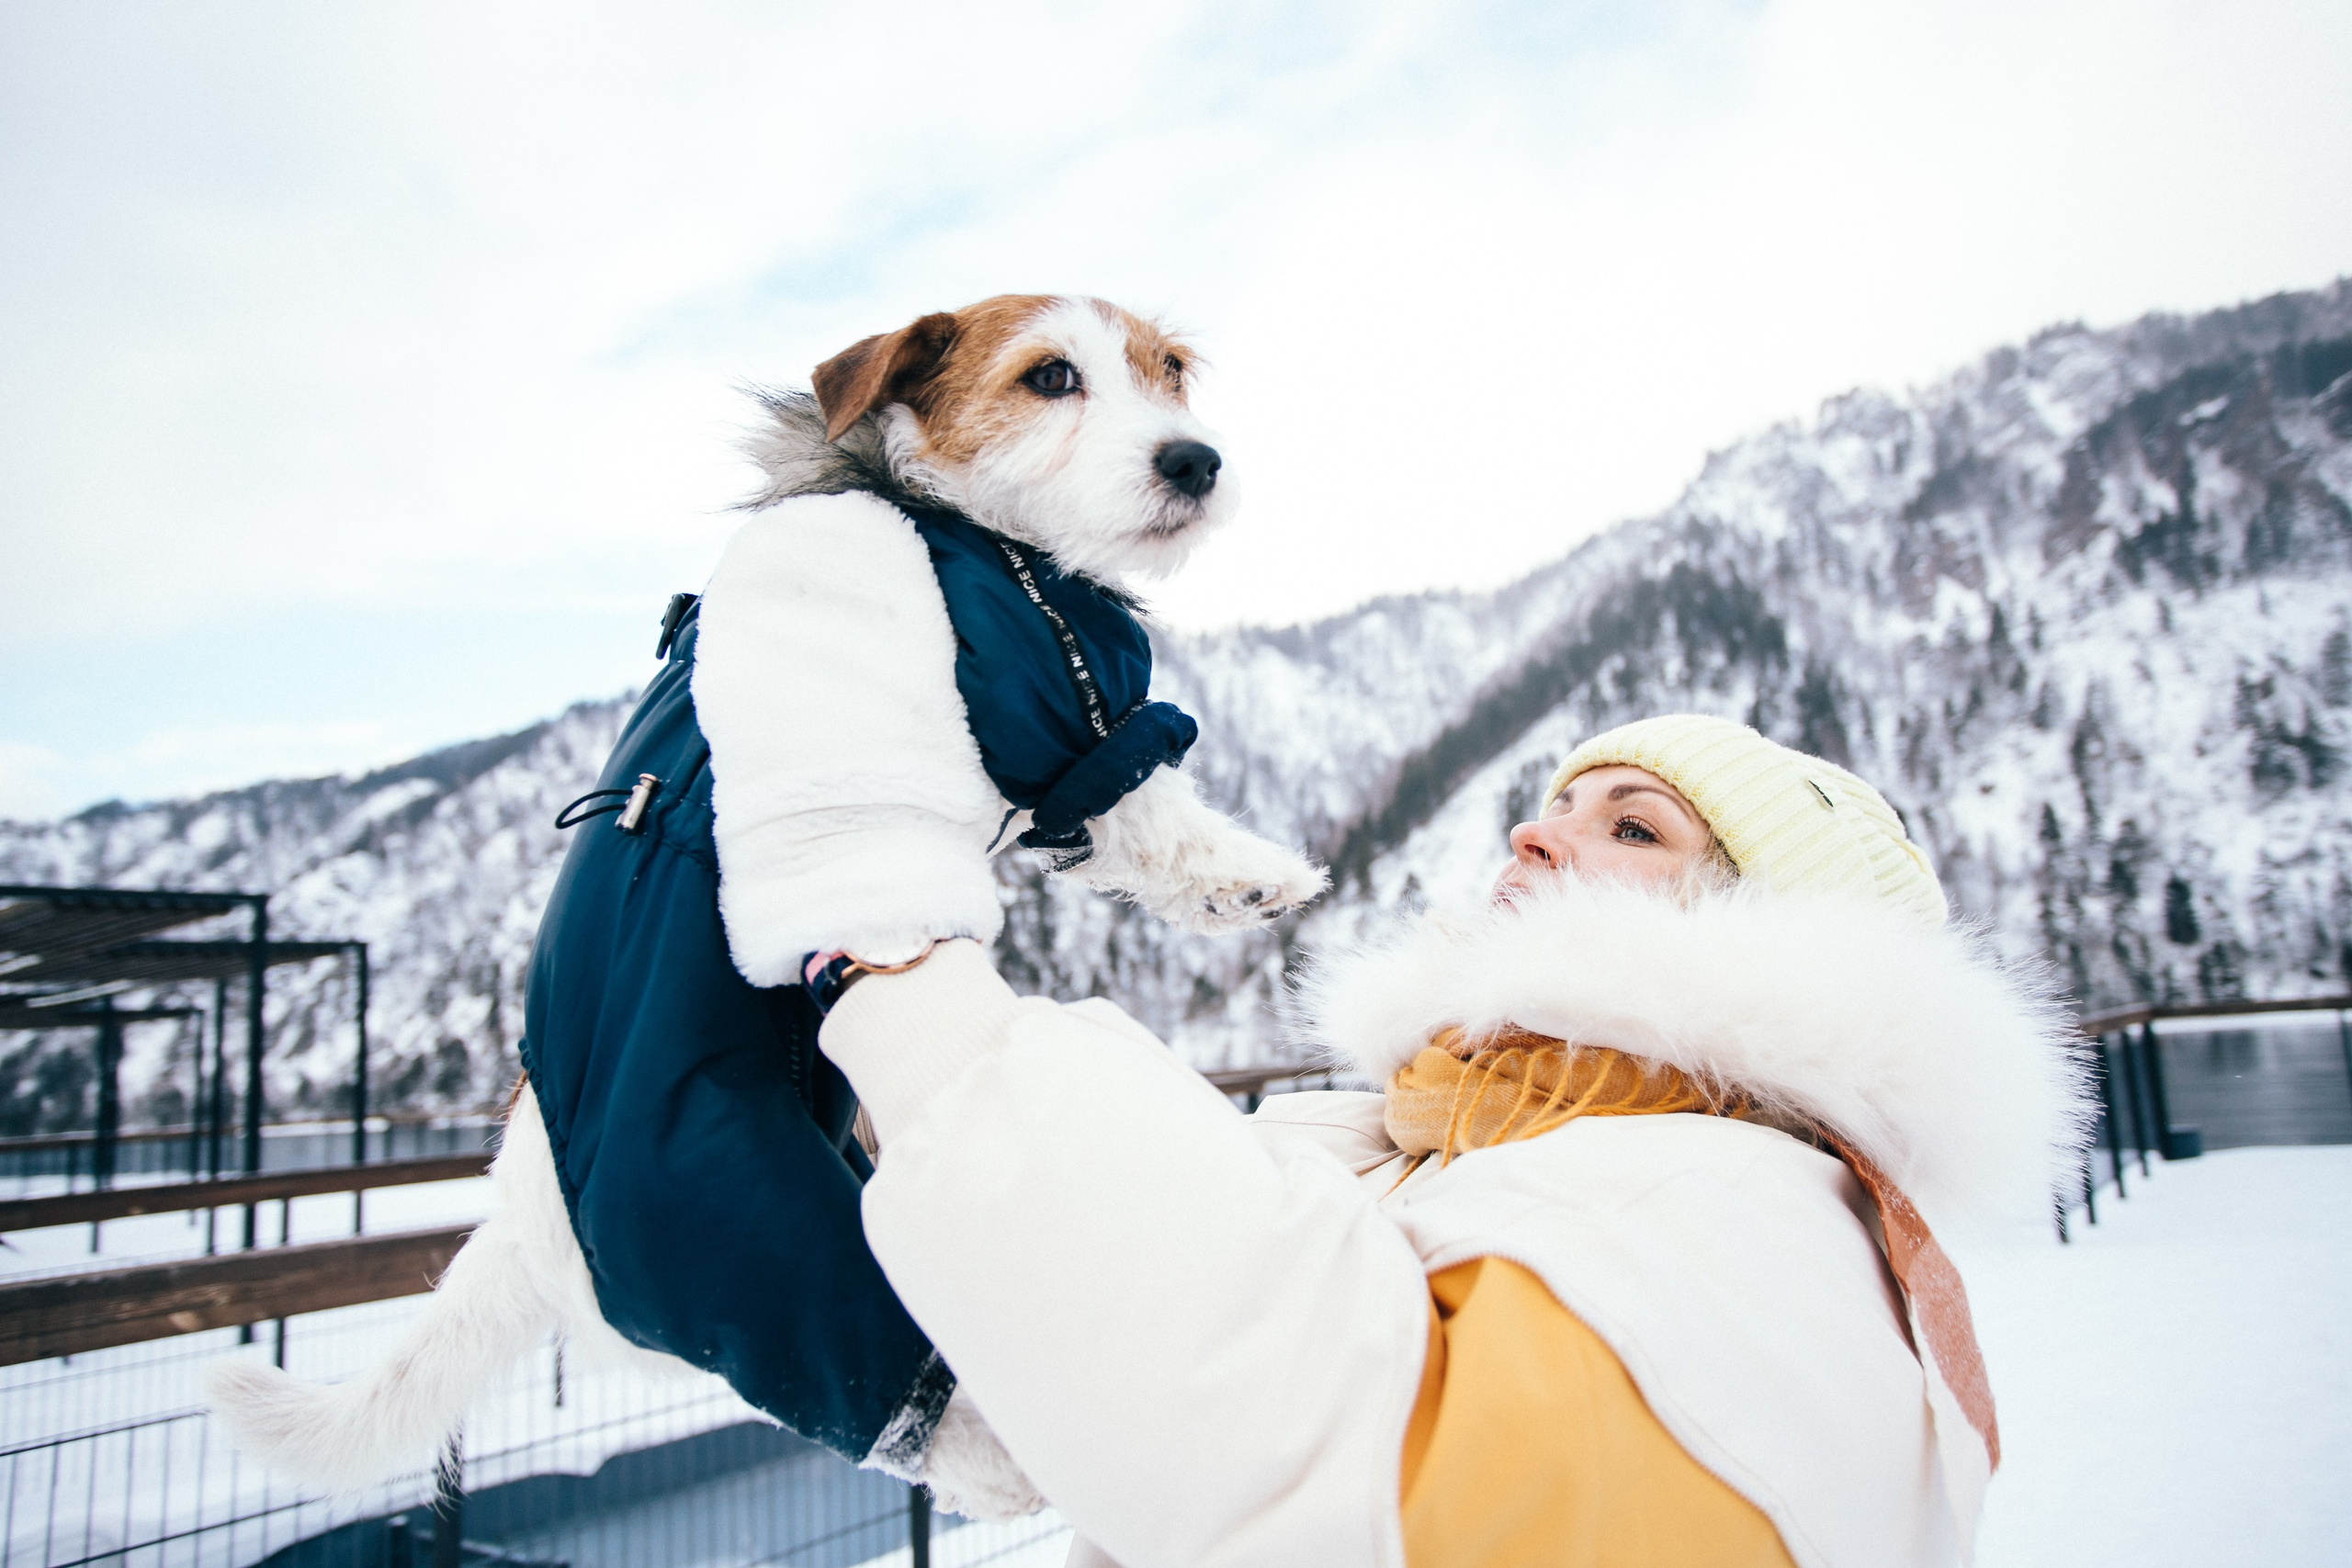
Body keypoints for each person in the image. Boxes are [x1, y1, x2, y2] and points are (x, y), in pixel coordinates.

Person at [807, 715, 2090, 1567]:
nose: (1537, 830)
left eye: (1631, 827)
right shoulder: (1435, 1130)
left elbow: (1341, 1477)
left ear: (1782, 941)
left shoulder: (1739, 1208)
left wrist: (927, 1017)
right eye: (1560, 804)